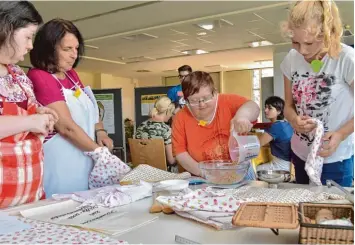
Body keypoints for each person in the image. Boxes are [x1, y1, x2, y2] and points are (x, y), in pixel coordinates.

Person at [28, 19, 114, 197]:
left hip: (84, 157)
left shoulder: (71, 75)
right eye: (67, 49)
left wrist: (100, 131)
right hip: (61, 165)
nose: (74, 55)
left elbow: (90, 108)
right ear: (48, 49)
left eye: (76, 49)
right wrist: (100, 153)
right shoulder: (40, 76)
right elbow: (66, 126)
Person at [281, 0, 354, 186]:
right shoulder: (291, 58)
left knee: (333, 211)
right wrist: (293, 120)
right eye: (295, 42)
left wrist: (341, 134)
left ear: (328, 34)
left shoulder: (346, 59)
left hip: (335, 157)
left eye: (309, 43)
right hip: (301, 155)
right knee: (305, 210)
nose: (302, 51)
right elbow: (288, 106)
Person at [0, 1, 58, 208]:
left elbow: (23, 115)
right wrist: (30, 121)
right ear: (5, 29)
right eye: (28, 36)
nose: (31, 45)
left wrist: (40, 114)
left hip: (29, 196)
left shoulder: (18, 74)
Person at [172, 71, 260, 177]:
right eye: (194, 101)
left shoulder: (227, 101)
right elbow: (180, 152)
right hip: (203, 174)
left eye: (206, 98)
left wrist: (242, 116)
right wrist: (204, 173)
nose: (202, 104)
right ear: (186, 100)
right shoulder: (180, 117)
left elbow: (253, 106)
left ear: (215, 93)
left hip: (239, 170)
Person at [135, 96, 177, 172]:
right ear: (168, 112)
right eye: (172, 113)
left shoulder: (141, 126)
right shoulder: (166, 129)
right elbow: (171, 161)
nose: (171, 116)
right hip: (161, 173)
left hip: (142, 171)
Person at [256, 96, 293, 172]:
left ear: (279, 111)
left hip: (281, 165)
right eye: (265, 107)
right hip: (290, 164)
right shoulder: (285, 123)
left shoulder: (276, 127)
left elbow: (258, 143)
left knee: (254, 169)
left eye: (270, 108)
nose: (265, 110)